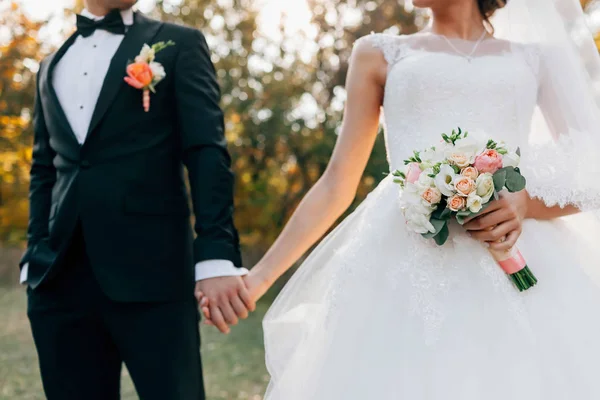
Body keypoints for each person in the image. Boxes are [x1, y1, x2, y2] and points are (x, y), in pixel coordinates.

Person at [199, 0, 600, 398]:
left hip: (521, 258)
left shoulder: (534, 59)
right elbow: (338, 182)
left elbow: (590, 170)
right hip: (400, 263)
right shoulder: (379, 53)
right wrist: (258, 279)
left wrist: (525, 202)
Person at [21, 1, 254, 398]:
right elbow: (45, 169)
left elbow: (206, 152)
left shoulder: (178, 43)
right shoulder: (50, 64)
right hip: (58, 282)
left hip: (155, 277)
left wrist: (215, 254)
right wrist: (33, 256)